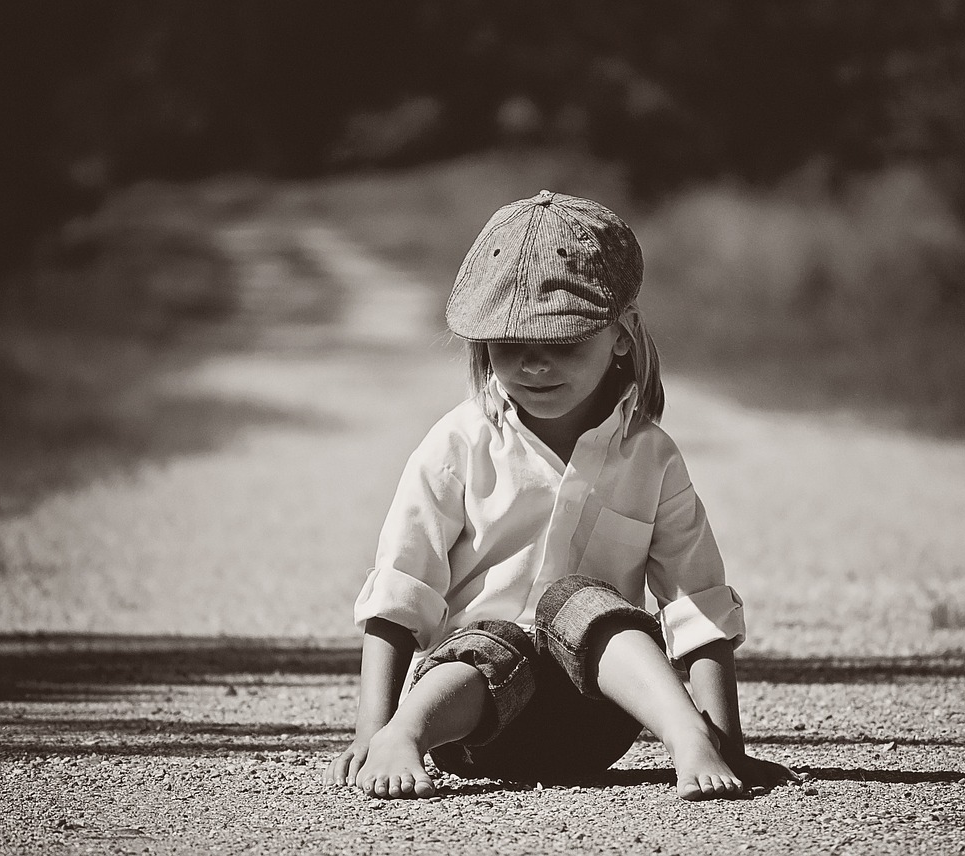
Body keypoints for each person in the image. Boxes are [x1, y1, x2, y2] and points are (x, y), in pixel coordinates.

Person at [324, 190, 798, 801]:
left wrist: (729, 748)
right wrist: (376, 728)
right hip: (472, 724)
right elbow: (400, 592)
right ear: (482, 345)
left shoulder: (651, 456)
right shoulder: (458, 443)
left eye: (563, 342)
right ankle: (405, 736)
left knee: (579, 603)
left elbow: (697, 607)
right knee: (495, 640)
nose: (534, 365)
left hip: (598, 724)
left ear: (620, 336)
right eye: (509, 344)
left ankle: (690, 737)